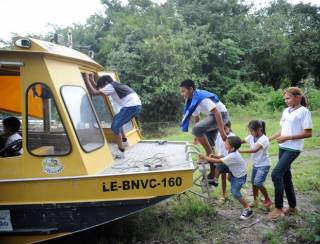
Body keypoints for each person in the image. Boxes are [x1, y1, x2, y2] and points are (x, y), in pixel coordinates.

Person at [268, 87, 312, 220]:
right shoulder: (286, 111)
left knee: (276, 174)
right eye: (285, 99)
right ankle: (292, 206)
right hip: (283, 147)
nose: (286, 101)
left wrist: (288, 137)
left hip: (293, 149)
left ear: (297, 97)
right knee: (286, 176)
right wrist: (268, 139)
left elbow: (308, 133)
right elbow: (282, 130)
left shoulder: (304, 112)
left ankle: (278, 208)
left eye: (288, 98)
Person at [84, 73, 142, 158]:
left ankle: (121, 151)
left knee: (115, 126)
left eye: (103, 85)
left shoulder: (110, 86)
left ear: (106, 83)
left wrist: (86, 79)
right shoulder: (115, 85)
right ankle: (124, 141)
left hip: (131, 106)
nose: (102, 88)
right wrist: (92, 79)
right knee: (117, 120)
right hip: (135, 106)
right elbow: (98, 89)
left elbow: (94, 92)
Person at [180, 79, 229, 179]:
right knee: (209, 144)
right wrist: (197, 136)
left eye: (183, 91)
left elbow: (217, 112)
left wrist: (222, 131)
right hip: (213, 116)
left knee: (198, 131)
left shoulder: (202, 98)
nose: (182, 94)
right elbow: (197, 118)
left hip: (221, 115)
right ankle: (213, 172)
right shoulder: (192, 101)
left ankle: (208, 156)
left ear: (191, 89)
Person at [199, 136, 254, 220]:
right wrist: (215, 156)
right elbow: (222, 157)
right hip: (233, 170)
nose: (225, 144)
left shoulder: (233, 155)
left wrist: (205, 157)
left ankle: (248, 209)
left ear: (232, 148)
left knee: (235, 192)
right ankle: (215, 181)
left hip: (239, 176)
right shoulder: (231, 152)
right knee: (219, 167)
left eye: (227, 143)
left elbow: (218, 161)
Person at [240, 120, 272, 209]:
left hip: (264, 165)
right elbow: (242, 141)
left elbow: (255, 149)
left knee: (258, 182)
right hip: (256, 164)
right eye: (250, 131)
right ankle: (255, 200)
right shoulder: (251, 136)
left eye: (252, 131)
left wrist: (240, 151)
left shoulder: (264, 139)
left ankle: (267, 199)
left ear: (259, 129)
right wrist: (233, 142)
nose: (251, 133)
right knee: (254, 183)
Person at [214, 121, 234, 203]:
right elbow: (218, 147)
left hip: (230, 160)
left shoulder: (232, 137)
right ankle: (223, 195)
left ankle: (236, 191)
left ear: (229, 127)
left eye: (224, 128)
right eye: (220, 128)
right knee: (222, 176)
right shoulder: (218, 135)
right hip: (221, 158)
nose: (222, 130)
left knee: (230, 178)